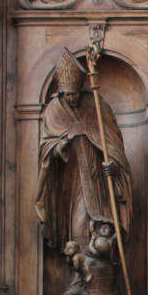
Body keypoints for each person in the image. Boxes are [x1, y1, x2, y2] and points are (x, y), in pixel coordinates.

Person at [36, 49, 132, 267]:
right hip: (69, 179)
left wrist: (113, 166)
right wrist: (60, 147)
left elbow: (113, 143)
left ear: (81, 89)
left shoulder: (96, 105)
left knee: (99, 225)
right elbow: (45, 147)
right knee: (77, 225)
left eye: (75, 93)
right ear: (61, 93)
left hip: (97, 177)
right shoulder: (54, 109)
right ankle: (80, 277)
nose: (72, 98)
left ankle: (99, 275)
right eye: (67, 94)